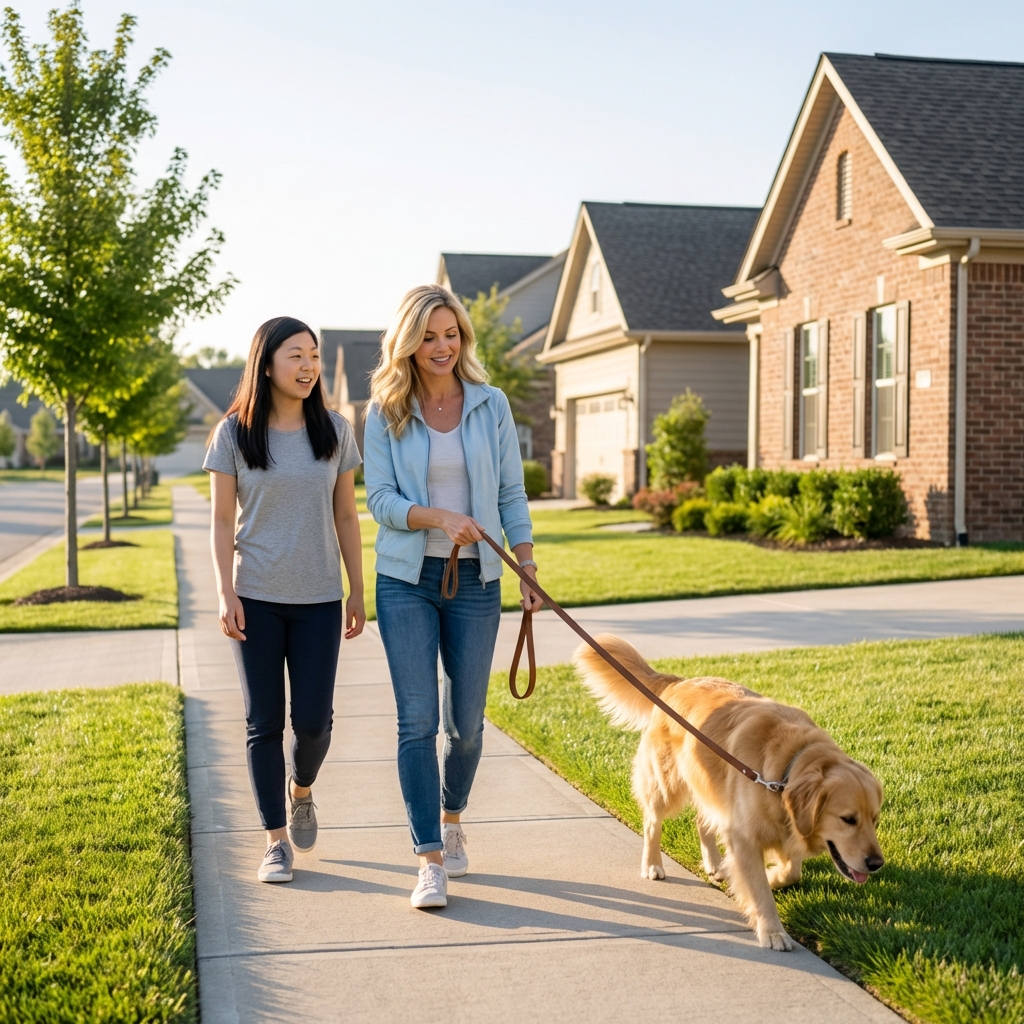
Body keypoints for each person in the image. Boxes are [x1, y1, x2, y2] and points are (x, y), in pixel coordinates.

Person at [364, 284, 541, 909]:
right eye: (429, 336)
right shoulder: (385, 410)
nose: (442, 347)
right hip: (406, 582)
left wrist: (525, 564)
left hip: (475, 583)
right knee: (417, 722)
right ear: (407, 343)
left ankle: (453, 814)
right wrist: (440, 518)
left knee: (465, 726)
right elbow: (380, 502)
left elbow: (512, 494)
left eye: (452, 335)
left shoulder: (490, 405)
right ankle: (428, 859)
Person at [205, 316, 365, 883]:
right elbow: (222, 520)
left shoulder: (334, 430)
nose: (308, 366)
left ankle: (302, 789)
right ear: (266, 363)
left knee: (315, 723)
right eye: (296, 355)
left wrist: (356, 589)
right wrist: (226, 591)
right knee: (263, 722)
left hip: (320, 597)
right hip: (256, 596)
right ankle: (275, 841)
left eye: (315, 356)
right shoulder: (234, 434)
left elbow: (346, 513)